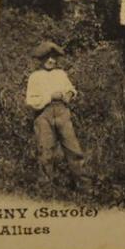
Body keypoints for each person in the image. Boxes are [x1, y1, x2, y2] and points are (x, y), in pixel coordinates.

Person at [25, 41, 89, 189]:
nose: (50, 61)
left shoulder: (60, 74)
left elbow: (71, 89)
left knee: (73, 148)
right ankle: (46, 186)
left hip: (62, 113)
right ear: (40, 59)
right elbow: (31, 100)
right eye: (47, 57)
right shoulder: (35, 77)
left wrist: (69, 94)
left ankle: (83, 184)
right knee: (45, 150)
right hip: (43, 115)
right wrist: (50, 97)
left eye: (53, 58)